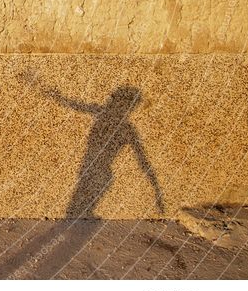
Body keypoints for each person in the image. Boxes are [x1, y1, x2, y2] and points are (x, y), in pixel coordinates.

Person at [46, 86, 164, 218]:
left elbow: (142, 159)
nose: (119, 106)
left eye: (125, 104)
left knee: (78, 206)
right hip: (93, 169)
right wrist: (51, 93)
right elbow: (75, 105)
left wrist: (156, 189)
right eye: (119, 102)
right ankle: (77, 220)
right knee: (76, 206)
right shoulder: (120, 124)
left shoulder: (122, 126)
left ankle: (80, 218)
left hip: (99, 171)